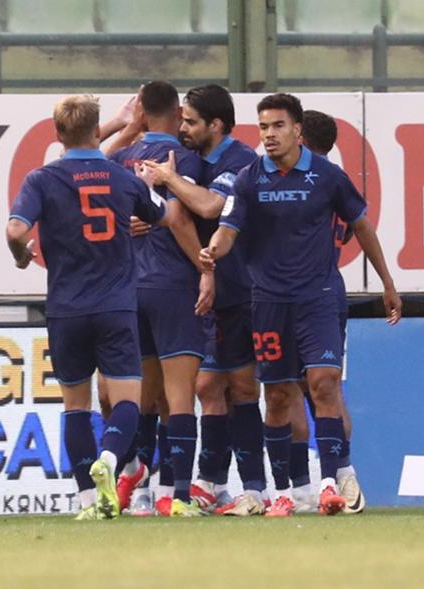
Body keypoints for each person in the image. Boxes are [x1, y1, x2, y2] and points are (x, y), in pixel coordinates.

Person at [200, 93, 402, 516]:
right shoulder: (248, 179)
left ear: (297, 130)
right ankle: (284, 493)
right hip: (268, 302)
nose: (269, 135)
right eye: (263, 127)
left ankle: (330, 482)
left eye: (278, 126)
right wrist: (213, 250)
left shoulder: (327, 176)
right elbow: (228, 228)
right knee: (277, 396)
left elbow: (361, 226)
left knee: (324, 383)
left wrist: (387, 281)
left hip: (319, 298)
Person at [6, 95, 171, 520]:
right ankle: (111, 462)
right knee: (128, 401)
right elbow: (163, 215)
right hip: (115, 306)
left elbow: (16, 229)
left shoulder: (41, 180)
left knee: (75, 407)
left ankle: (85, 501)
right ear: (97, 129)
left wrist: (21, 255)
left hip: (67, 309)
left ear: (57, 133)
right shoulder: (122, 178)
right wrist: (151, 189)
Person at [143, 84, 268, 516]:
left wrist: (169, 179)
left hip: (239, 288)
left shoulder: (241, 160)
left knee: (242, 386)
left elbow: (212, 206)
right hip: (199, 289)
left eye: (191, 121)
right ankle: (212, 482)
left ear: (216, 125)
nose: (183, 127)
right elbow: (172, 213)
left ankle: (255, 487)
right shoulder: (186, 158)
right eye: (181, 119)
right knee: (207, 386)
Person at [109, 80, 212, 517]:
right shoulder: (183, 159)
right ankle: (178, 493)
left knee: (143, 398)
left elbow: (83, 168)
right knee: (179, 396)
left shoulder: (118, 160)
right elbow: (182, 220)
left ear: (142, 113)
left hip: (130, 287)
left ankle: (142, 490)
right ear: (177, 111)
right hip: (172, 283)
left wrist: (126, 128)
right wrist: (207, 271)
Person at [288, 109, 364, 514]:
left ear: (299, 135)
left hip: (299, 290)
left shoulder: (302, 181)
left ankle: (303, 487)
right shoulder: (339, 181)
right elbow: (351, 229)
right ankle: (343, 473)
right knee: (327, 391)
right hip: (329, 287)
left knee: (291, 389)